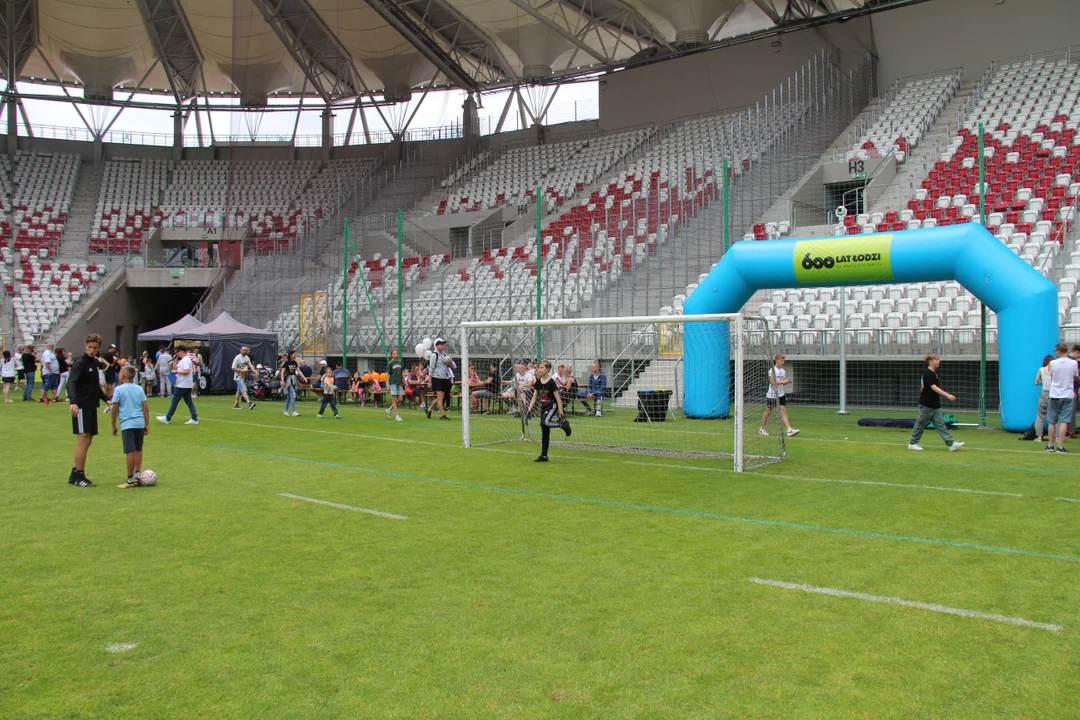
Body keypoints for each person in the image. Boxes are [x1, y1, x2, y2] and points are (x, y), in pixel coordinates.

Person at [67, 334, 110, 487]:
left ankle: (74, 473)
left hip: (91, 406)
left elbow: (95, 387)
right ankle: (80, 476)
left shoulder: (94, 363)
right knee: (83, 439)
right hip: (81, 406)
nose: (92, 350)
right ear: (85, 346)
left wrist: (106, 399)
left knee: (88, 440)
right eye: (89, 347)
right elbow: (71, 382)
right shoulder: (80, 363)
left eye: (95, 348)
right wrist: (73, 401)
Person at [907, 353, 964, 452]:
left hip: (935, 405)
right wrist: (947, 395)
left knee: (941, 424)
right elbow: (933, 387)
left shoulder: (933, 374)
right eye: (936, 359)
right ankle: (912, 443)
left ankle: (951, 444)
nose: (938, 361)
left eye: (938, 359)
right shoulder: (927, 373)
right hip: (927, 405)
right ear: (930, 361)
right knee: (920, 424)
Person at [112, 365, 150, 488]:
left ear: (122, 375)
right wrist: (146, 424)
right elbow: (145, 408)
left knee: (129, 451)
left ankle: (130, 479)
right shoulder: (139, 389)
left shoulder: (118, 390)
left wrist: (113, 425)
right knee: (139, 449)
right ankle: (138, 475)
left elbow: (114, 409)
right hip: (139, 423)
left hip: (127, 424)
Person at [526, 360, 571, 462]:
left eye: (542, 367)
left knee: (545, 422)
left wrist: (561, 414)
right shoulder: (538, 382)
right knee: (544, 431)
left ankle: (562, 424)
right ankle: (544, 455)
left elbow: (558, 399)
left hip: (552, 405)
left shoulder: (551, 382)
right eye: (539, 367)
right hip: (544, 407)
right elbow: (534, 398)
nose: (539, 369)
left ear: (548, 369)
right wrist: (529, 411)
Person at [1045, 343, 1078, 454]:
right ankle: (1060, 445)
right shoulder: (1073, 363)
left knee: (1051, 421)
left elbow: (1051, 375)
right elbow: (1075, 376)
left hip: (1055, 394)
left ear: (1059, 350)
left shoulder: (1053, 363)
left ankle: (1050, 445)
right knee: (1064, 421)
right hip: (1068, 394)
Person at [156, 344, 199, 425]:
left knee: (175, 401)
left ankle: (168, 418)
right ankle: (194, 418)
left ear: (182, 351)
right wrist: (175, 360)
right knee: (188, 401)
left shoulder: (186, 360)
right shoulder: (183, 360)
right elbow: (174, 367)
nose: (177, 353)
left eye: (177, 352)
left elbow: (187, 371)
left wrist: (176, 372)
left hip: (182, 384)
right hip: (184, 384)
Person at [759, 353, 799, 437]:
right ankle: (762, 428)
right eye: (782, 361)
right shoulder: (772, 370)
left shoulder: (783, 371)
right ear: (777, 360)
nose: (783, 362)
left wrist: (787, 382)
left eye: (784, 360)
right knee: (768, 411)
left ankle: (789, 430)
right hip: (772, 395)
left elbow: (781, 383)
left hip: (781, 394)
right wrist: (784, 382)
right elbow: (773, 382)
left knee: (783, 410)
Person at [427, 338, 456, 420]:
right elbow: (431, 368)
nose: (443, 346)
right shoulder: (434, 355)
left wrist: (449, 363)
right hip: (437, 378)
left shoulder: (444, 354)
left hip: (444, 378)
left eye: (444, 345)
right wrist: (429, 380)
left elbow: (449, 366)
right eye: (442, 345)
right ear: (437, 346)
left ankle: (429, 409)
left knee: (441, 397)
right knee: (440, 396)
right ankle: (442, 415)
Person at [1033, 354, 1054, 442]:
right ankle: (1056, 436)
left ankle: (1039, 436)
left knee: (1040, 415)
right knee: (1055, 415)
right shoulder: (1055, 370)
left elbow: (1036, 382)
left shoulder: (1041, 370)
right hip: (1053, 393)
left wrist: (1043, 383)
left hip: (1044, 392)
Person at [231, 345, 257, 410]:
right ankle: (249, 403)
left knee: (239, 391)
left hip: (244, 376)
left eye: (246, 350)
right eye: (243, 350)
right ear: (241, 350)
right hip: (238, 377)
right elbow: (233, 367)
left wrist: (255, 371)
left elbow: (251, 366)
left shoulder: (247, 358)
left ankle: (236, 404)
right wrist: (242, 370)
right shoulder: (237, 358)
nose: (245, 351)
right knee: (244, 389)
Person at [280, 350, 304, 416]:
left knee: (289, 397)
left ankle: (285, 411)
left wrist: (304, 377)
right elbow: (282, 372)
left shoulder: (295, 363)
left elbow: (298, 371)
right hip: (288, 380)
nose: (295, 356)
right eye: (294, 354)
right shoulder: (287, 363)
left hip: (293, 379)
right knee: (293, 394)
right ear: (290, 355)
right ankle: (293, 411)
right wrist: (282, 381)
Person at [386, 348, 404, 421]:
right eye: (394, 353)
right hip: (393, 383)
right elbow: (388, 374)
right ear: (391, 355)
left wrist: (404, 379)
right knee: (395, 399)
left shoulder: (400, 362)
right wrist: (388, 385)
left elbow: (402, 372)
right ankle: (397, 415)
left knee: (400, 399)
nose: (396, 355)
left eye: (397, 353)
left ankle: (389, 409)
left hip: (399, 383)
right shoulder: (390, 363)